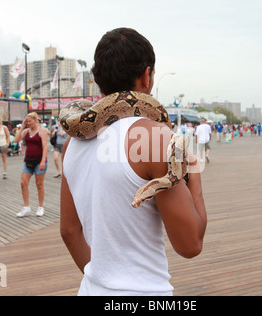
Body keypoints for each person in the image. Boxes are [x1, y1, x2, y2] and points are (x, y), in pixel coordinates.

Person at [60, 27, 207, 296]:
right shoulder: (154, 137)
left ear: (98, 79)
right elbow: (191, 244)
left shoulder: (72, 143)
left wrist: (104, 282)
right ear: (147, 76)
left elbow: (69, 231)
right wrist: (193, 172)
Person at [14, 112, 48, 218]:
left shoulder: (42, 130)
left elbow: (45, 146)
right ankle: (26, 207)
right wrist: (22, 127)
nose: (28, 123)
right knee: (23, 183)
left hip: (39, 161)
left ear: (35, 120)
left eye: (29, 121)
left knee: (39, 184)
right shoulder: (26, 131)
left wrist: (43, 161)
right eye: (26, 121)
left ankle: (40, 207)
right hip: (28, 160)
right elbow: (16, 140)